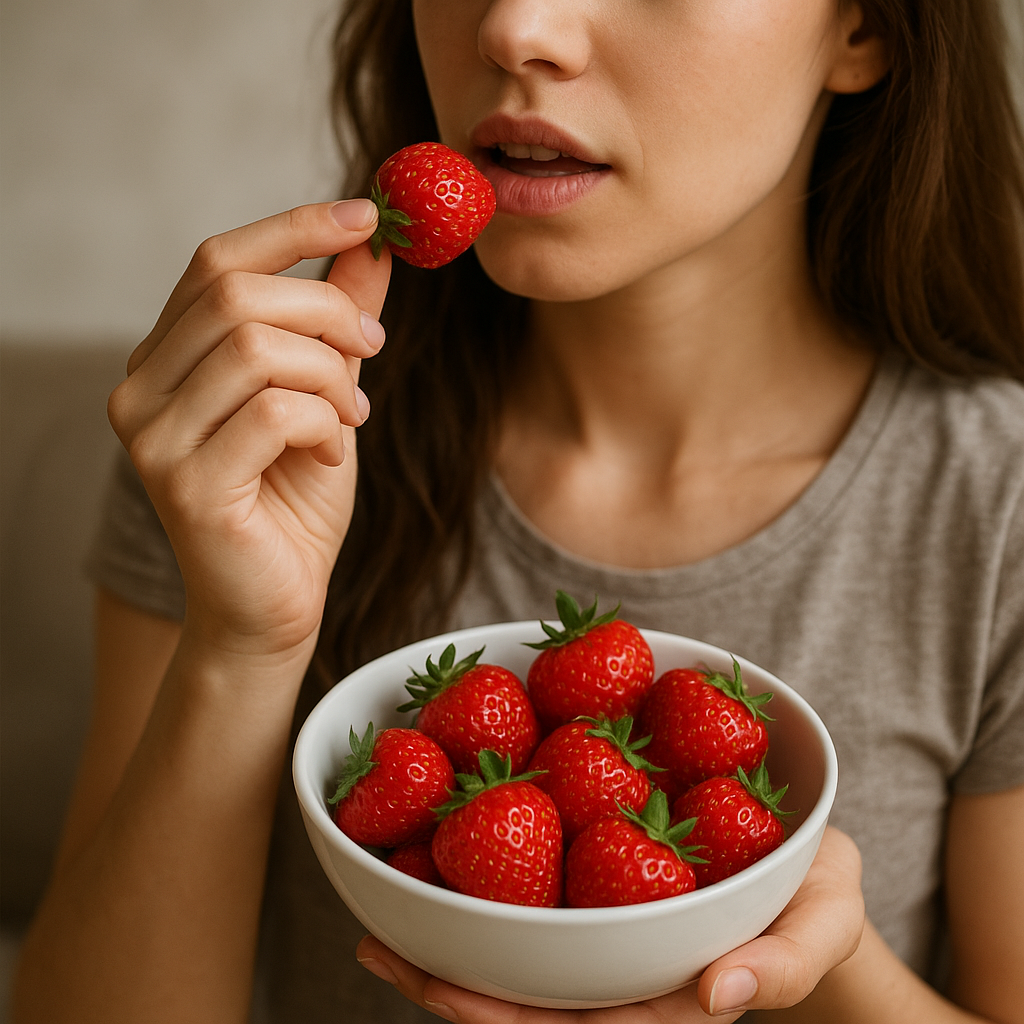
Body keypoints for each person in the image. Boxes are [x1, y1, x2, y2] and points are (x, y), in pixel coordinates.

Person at [12, 0, 1024, 1021]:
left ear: (863, 31)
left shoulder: (999, 503)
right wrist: (240, 645)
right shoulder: (268, 433)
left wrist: (800, 951)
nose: (514, 27)